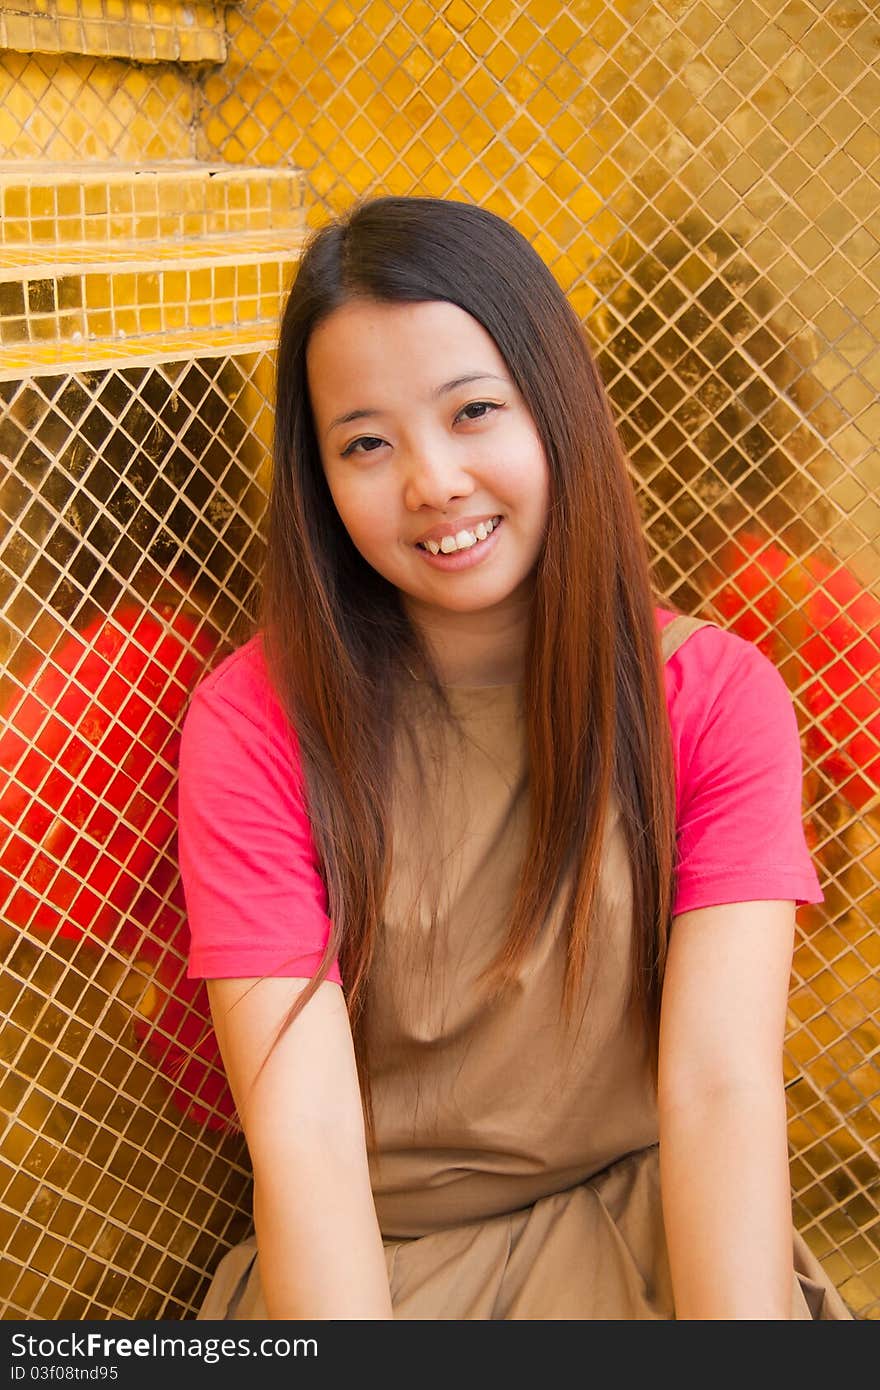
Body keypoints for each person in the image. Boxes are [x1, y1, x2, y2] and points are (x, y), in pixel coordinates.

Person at [177, 194, 853, 1320]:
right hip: (370, 1258)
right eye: (365, 443)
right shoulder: (252, 721)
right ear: (318, 476)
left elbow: (719, 1089)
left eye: (474, 410)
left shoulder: (718, 698)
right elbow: (304, 1138)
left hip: (653, 1223)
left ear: (558, 408)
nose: (431, 480)